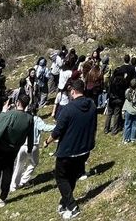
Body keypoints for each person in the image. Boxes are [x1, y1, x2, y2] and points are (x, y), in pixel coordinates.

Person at [43, 79, 97, 220]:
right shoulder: (91, 105)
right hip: (85, 149)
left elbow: (57, 132)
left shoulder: (68, 109)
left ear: (73, 91)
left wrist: (47, 142)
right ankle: (64, 202)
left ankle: (73, 207)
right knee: (71, 177)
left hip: (69, 151)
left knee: (61, 178)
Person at [0, 94, 34, 212]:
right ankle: (3, 198)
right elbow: (31, 136)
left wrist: (3, 112)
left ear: (18, 102)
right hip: (13, 149)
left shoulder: (10, 115)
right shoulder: (29, 118)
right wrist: (29, 148)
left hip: (0, 149)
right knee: (8, 172)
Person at [11, 115, 55, 191]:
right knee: (34, 163)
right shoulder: (36, 119)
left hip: (21, 145)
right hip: (33, 145)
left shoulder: (21, 117)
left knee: (19, 164)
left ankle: (13, 185)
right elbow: (45, 128)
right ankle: (23, 181)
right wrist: (57, 126)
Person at [104, 55, 133, 134]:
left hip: (111, 98)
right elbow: (125, 88)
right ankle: (114, 129)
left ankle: (106, 129)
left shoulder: (112, 80)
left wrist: (108, 97)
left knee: (109, 114)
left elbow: (109, 89)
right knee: (116, 114)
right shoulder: (122, 81)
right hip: (119, 99)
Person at [122, 79, 136, 144]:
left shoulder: (127, 91)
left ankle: (126, 139)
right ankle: (133, 138)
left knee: (127, 124)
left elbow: (126, 97)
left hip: (128, 109)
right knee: (135, 124)